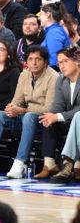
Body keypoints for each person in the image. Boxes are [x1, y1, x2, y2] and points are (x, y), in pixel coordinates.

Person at [0, 45, 56, 179]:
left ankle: (20, 162)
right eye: (30, 59)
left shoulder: (53, 77)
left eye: (38, 59)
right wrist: (11, 108)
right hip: (24, 115)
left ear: (45, 62)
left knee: (29, 117)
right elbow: (17, 100)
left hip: (42, 120)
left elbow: (49, 108)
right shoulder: (24, 74)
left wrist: (23, 110)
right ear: (26, 61)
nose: (34, 62)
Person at [43, 46, 80, 183]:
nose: (62, 66)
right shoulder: (61, 79)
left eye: (65, 61)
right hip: (71, 121)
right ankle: (49, 163)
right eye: (59, 63)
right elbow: (58, 105)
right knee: (47, 118)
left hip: (77, 120)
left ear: (77, 61)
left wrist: (58, 116)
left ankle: (68, 163)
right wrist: (50, 115)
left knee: (76, 117)